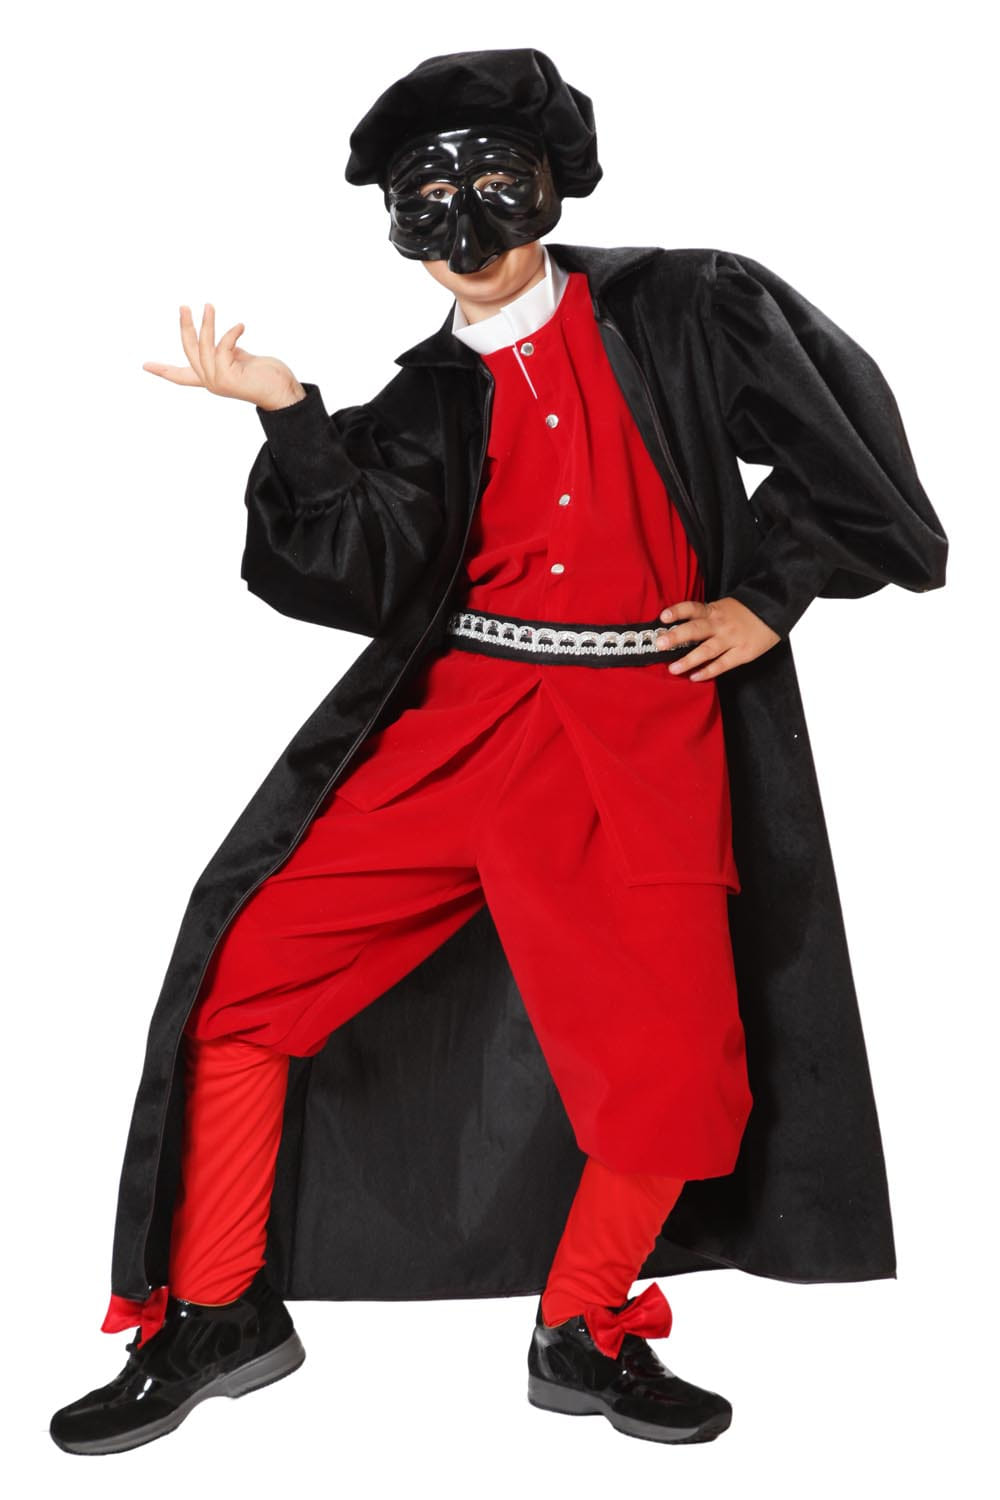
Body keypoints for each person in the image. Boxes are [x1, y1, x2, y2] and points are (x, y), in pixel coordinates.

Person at [49, 48, 948, 1455]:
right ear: (398, 225)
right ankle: (217, 1310)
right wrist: (289, 414)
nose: (463, 227)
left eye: (492, 185)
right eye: (427, 199)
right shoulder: (426, 398)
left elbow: (851, 450)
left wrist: (771, 597)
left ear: (551, 185)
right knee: (245, 983)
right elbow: (348, 570)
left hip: (637, 735)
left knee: (676, 1069)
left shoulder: (689, 304)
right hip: (459, 726)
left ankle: (585, 1327)